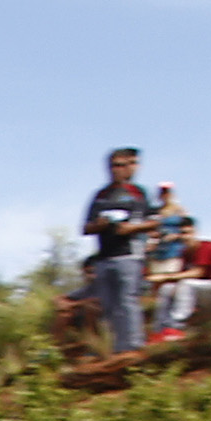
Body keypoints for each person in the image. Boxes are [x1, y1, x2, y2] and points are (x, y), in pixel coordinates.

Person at [79, 147, 154, 358]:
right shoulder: (101, 195)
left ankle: (133, 345)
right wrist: (99, 225)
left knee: (128, 301)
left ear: (130, 167)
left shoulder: (138, 193)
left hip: (129, 255)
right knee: (109, 305)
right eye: (113, 165)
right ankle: (116, 346)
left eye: (122, 165)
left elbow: (153, 221)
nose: (117, 170)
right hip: (104, 257)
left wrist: (132, 228)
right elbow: (85, 228)